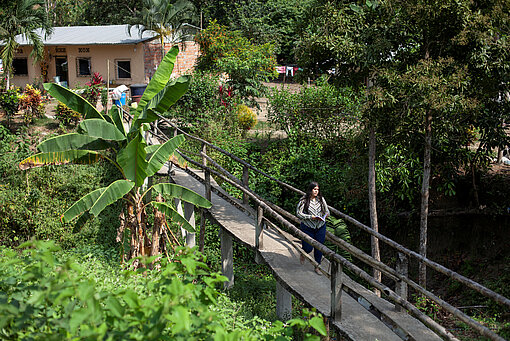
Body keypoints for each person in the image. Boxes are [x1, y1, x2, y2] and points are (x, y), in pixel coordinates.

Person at [296, 181, 330, 275]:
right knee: (308, 248)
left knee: (319, 247)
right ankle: (303, 253)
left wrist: (325, 215)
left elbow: (327, 211)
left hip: (320, 226)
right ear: (310, 190)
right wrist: (311, 217)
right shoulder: (304, 200)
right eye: (314, 189)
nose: (316, 191)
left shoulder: (321, 200)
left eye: (317, 190)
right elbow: (299, 213)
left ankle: (317, 266)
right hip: (307, 226)